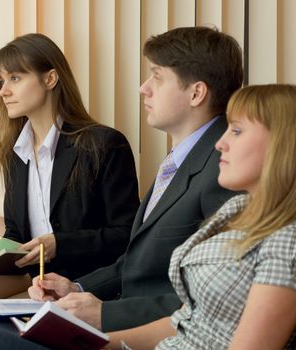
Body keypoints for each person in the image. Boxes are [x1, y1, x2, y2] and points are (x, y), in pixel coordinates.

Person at [0, 84, 296, 350]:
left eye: (238, 131)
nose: (221, 142)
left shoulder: (295, 238)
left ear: (284, 146)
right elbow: (186, 320)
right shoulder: (238, 213)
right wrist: (108, 342)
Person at [25, 26, 242, 332]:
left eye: (157, 76)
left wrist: (106, 315)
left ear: (196, 93)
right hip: (121, 318)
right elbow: (138, 263)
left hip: (146, 333)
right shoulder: (179, 161)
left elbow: (212, 299)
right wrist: (77, 288)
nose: (143, 87)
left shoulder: (226, 169)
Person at [0, 33, 139, 337]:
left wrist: (59, 243)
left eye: (15, 77)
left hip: (88, 272)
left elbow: (127, 236)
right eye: (0, 82)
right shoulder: (15, 153)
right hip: (36, 272)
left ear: (50, 78)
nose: (4, 91)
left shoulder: (103, 144)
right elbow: (18, 234)